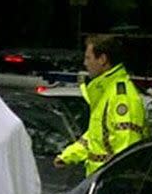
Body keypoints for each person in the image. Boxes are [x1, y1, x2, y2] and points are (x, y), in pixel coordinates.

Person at [54, 35, 145, 175]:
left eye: (88, 58)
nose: (85, 63)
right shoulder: (106, 92)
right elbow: (95, 137)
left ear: (102, 59)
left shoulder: (121, 96)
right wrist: (68, 156)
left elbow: (127, 146)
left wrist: (115, 181)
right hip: (99, 180)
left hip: (111, 184)